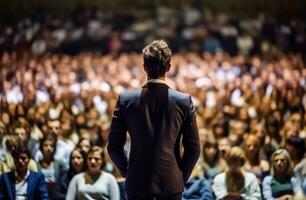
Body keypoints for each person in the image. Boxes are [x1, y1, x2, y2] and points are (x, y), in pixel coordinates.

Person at [107, 39, 200, 200]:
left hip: (137, 184)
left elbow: (113, 146)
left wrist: (128, 172)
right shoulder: (183, 101)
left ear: (144, 67)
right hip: (171, 185)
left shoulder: (126, 100)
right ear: (169, 67)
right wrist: (179, 177)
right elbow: (193, 149)